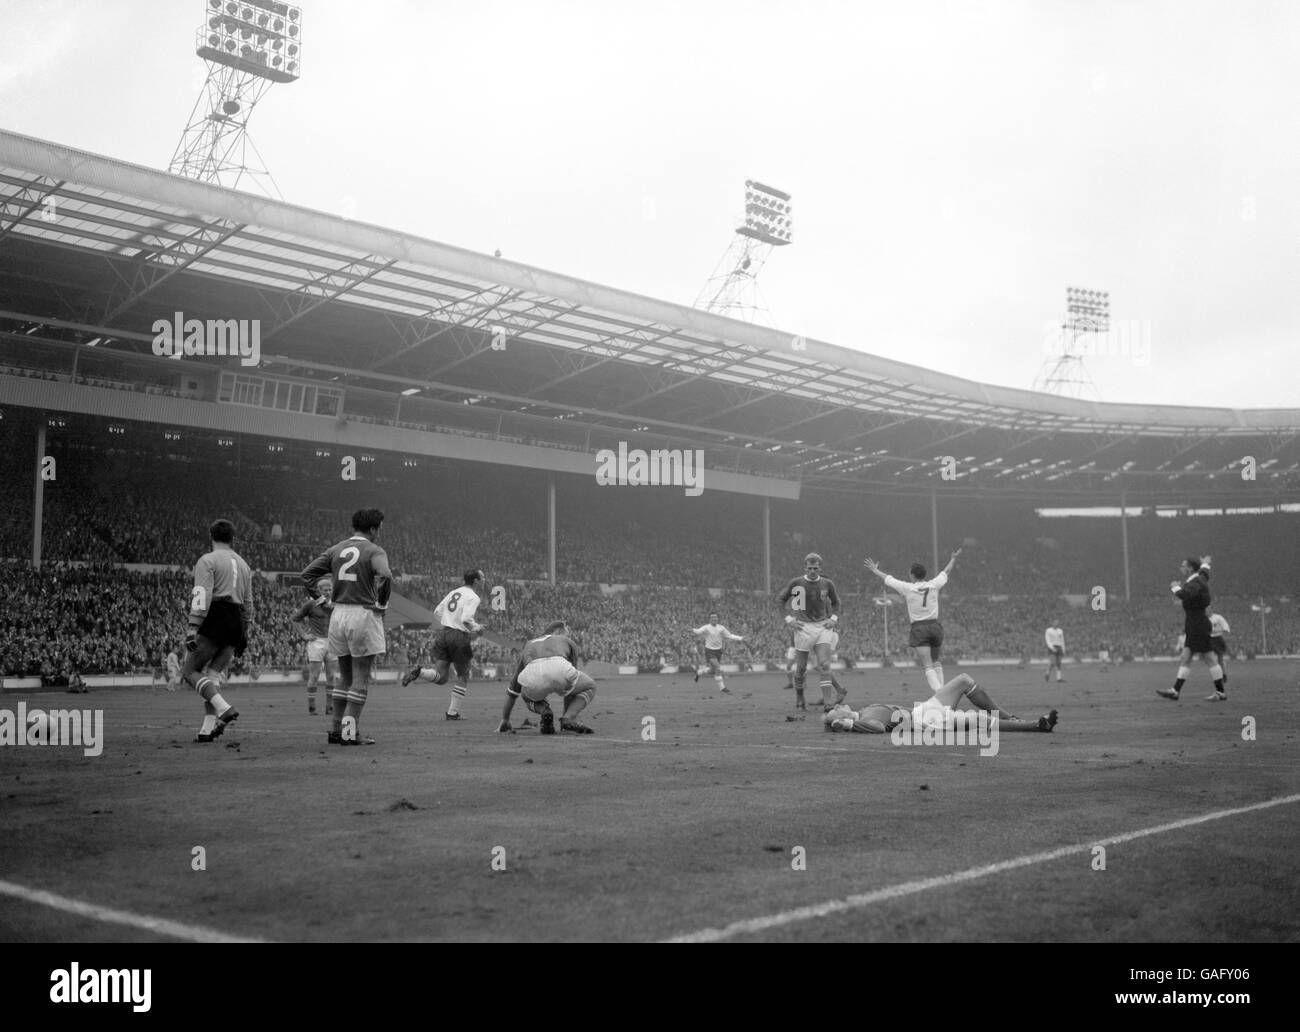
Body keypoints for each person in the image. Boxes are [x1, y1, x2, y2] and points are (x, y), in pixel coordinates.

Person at [301, 509, 391, 745]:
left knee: (345, 676)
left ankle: (336, 731)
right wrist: (382, 604)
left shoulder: (335, 549)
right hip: (362, 613)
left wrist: (322, 601)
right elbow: (386, 575)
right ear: (372, 529)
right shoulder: (374, 550)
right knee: (361, 676)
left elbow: (307, 575)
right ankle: (350, 733)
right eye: (379, 528)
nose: (379, 532)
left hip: (337, 614)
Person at [182, 518, 252, 743]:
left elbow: (202, 593)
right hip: (236, 619)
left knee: (189, 671)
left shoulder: (208, 560)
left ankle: (224, 708)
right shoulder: (244, 564)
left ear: (210, 536)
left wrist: (193, 626)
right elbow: (249, 603)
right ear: (234, 539)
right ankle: (207, 730)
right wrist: (244, 633)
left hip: (217, 614)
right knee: (213, 676)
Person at [823, 672, 1058, 734]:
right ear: (841, 718)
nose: (836, 706)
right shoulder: (865, 719)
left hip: (924, 709)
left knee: (964, 680)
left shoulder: (864, 711)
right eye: (835, 711)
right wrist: (848, 725)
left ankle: (1008, 716)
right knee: (980, 720)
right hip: (926, 721)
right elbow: (876, 728)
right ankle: (1036, 726)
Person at [863, 549, 961, 696]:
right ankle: (943, 691)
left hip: (920, 628)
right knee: (936, 661)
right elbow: (946, 572)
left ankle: (940, 693)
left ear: (912, 575)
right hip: (935, 626)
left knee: (927, 664)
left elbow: (888, 579)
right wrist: (953, 558)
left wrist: (875, 570)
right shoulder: (934, 584)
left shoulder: (907, 587)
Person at [401, 569, 487, 720]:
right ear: (475, 581)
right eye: (482, 577)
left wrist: (450, 621)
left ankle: (420, 672)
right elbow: (467, 618)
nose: (484, 579)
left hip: (443, 634)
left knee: (441, 677)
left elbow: (437, 612)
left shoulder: (454, 592)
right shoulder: (473, 596)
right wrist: (477, 628)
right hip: (458, 636)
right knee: (463, 675)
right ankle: (452, 713)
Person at [497, 621, 596, 734]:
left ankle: (545, 711)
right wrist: (566, 717)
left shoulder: (529, 644)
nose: (568, 636)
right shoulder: (568, 642)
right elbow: (571, 687)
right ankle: (569, 718)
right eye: (567, 633)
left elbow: (512, 692)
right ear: (558, 631)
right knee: (590, 686)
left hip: (532, 671)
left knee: (526, 695)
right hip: (559, 666)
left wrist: (505, 719)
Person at [776, 552, 842, 711]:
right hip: (802, 628)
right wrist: (789, 619)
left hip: (822, 627)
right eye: (810, 567)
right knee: (801, 668)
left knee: (824, 664)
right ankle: (800, 696)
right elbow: (780, 600)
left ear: (820, 568)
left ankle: (827, 703)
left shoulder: (827, 584)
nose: (812, 570)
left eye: (815, 568)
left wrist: (833, 618)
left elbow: (836, 603)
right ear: (805, 567)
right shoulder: (795, 582)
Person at [1157, 556, 1225, 702]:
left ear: (1190, 568)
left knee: (1201, 658)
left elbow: (1184, 594)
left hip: (1197, 624)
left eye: (1183, 565)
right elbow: (1205, 572)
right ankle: (1177, 691)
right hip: (1197, 623)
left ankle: (1177, 691)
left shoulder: (1194, 583)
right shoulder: (1200, 578)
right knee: (1193, 657)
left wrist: (1175, 586)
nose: (1181, 568)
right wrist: (1206, 563)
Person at [291, 576, 336, 715]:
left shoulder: (335, 604)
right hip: (316, 642)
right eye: (325, 590)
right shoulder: (311, 604)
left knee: (331, 676)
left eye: (330, 589)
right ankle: (312, 708)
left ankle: (329, 707)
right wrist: (304, 635)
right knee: (314, 676)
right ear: (318, 590)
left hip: (332, 641)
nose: (328, 592)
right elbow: (295, 619)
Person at [691, 612, 744, 694]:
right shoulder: (706, 627)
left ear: (717, 619)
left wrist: (740, 638)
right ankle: (722, 688)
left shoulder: (721, 628)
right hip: (709, 651)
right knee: (718, 667)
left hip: (718, 651)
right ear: (710, 619)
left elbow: (729, 635)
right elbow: (698, 631)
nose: (714, 619)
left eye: (715, 618)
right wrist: (692, 630)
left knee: (712, 670)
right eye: (712, 618)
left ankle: (698, 673)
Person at [1208, 609, 1231, 694]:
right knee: (1212, 660)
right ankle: (1218, 676)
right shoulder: (1204, 618)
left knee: (1220, 659)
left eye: (1208, 608)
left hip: (1218, 639)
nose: (1206, 610)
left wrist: (1224, 632)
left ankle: (1223, 674)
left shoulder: (1218, 617)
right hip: (1209, 639)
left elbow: (1225, 626)